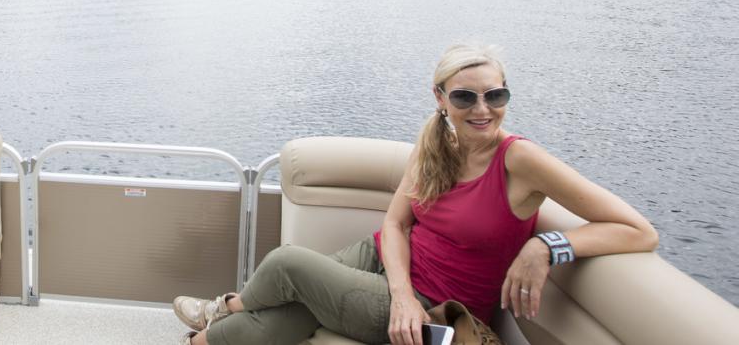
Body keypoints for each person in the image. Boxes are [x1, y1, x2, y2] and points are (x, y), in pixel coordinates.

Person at [173, 43, 659, 345]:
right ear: (441, 97)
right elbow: (396, 223)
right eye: (465, 96)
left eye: (496, 95)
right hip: (387, 259)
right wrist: (399, 289)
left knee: (285, 263)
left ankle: (226, 307)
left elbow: (639, 231)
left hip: (433, 301)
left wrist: (545, 245)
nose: (482, 108)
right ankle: (202, 341)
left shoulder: (520, 160)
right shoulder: (435, 145)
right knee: (292, 317)